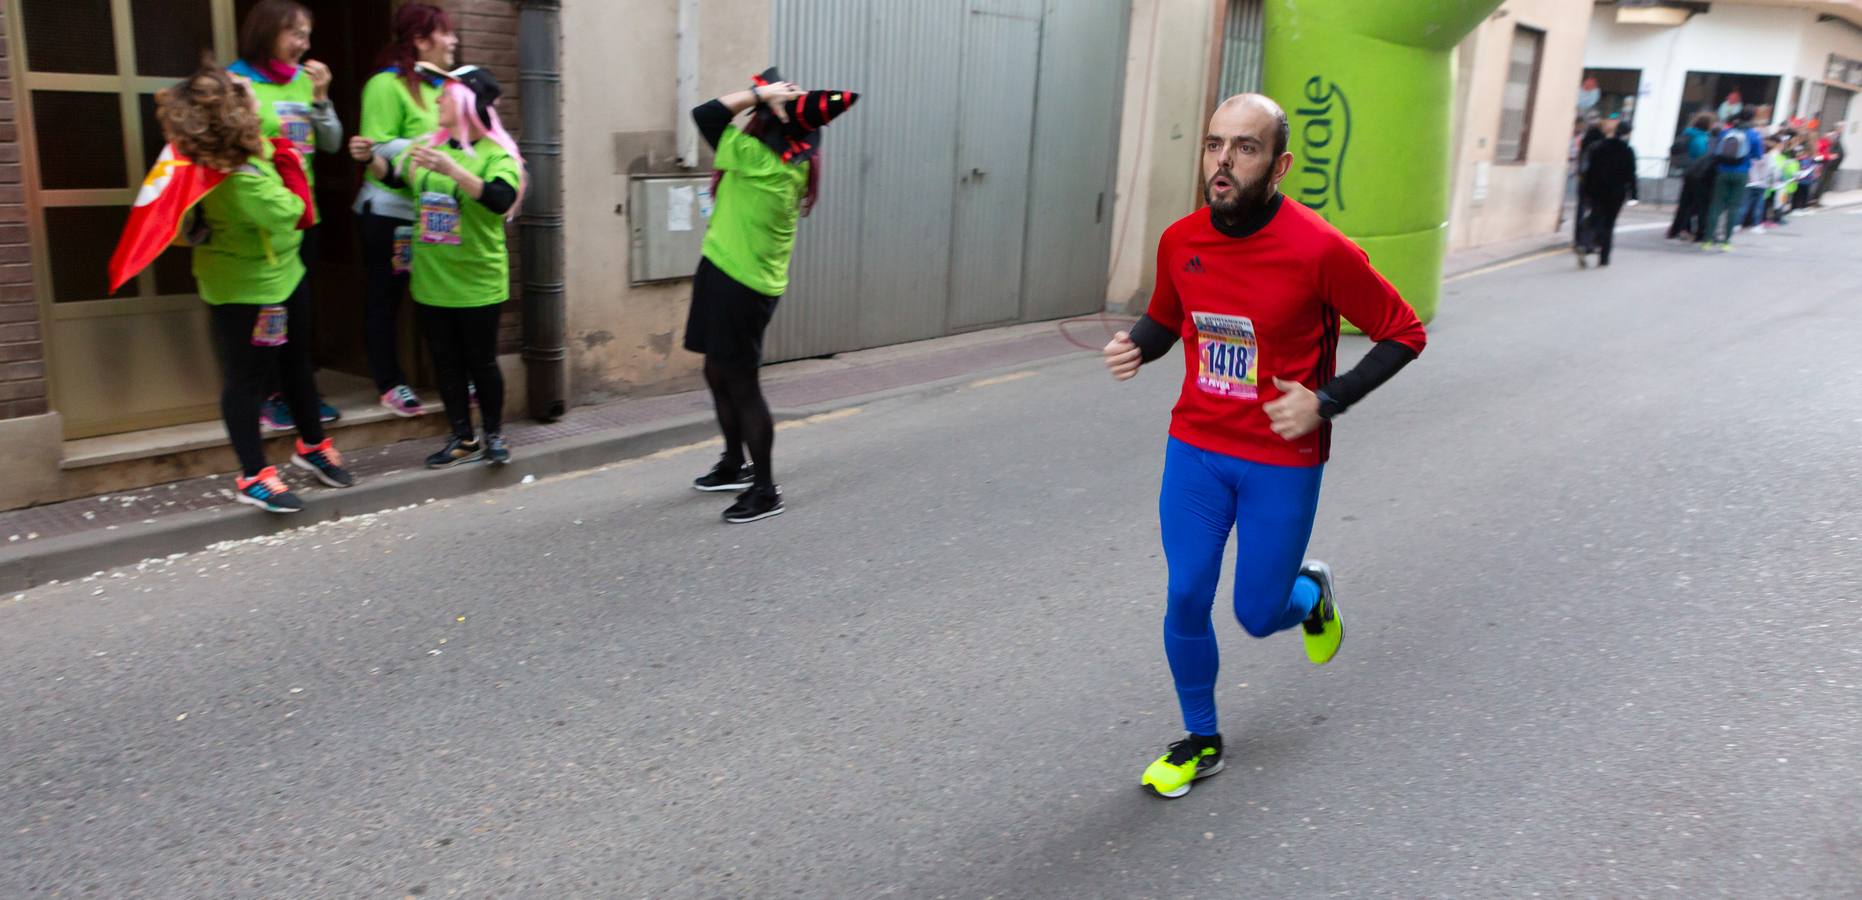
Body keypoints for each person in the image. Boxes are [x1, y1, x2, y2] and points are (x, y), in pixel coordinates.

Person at [1101, 94, 1427, 799]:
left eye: (1244, 147)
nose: (1223, 160)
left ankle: (1309, 594)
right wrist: (1137, 347)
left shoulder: (1321, 249)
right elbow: (1165, 318)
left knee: (1255, 614)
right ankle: (1201, 739)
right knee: (1186, 594)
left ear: (1277, 165)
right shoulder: (1181, 239)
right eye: (1214, 144)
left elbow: (1404, 331)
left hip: (1281, 457)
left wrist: (1328, 399)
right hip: (1196, 445)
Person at [157, 66, 355, 512]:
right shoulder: (238, 180)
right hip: (247, 291)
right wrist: (289, 159)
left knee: (297, 364)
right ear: (236, 113)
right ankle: (253, 475)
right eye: (247, 93)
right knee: (246, 381)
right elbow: (293, 211)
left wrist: (276, 151)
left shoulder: (244, 152)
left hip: (285, 275)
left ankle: (311, 446)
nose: (255, 95)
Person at [683, 69, 859, 524]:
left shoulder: (755, 158)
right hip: (726, 272)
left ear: (765, 123)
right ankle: (733, 464)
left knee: (741, 384)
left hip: (739, 285)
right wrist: (768, 99)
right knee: (717, 372)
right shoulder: (792, 163)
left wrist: (761, 94)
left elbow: (705, 113)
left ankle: (764, 490)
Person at [359, 68, 525, 468]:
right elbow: (396, 178)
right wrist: (370, 160)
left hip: (477, 279)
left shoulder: (496, 154)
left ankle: (494, 435)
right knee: (445, 362)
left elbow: (501, 198)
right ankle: (461, 437)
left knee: (481, 362)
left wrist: (452, 170)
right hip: (432, 280)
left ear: (467, 104)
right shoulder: (426, 148)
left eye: (444, 97)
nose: (436, 102)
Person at [229, 0, 342, 432]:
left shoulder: (303, 82)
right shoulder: (237, 81)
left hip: (301, 215)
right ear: (267, 32)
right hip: (259, 216)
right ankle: (269, 395)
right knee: (266, 313)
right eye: (295, 33)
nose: (304, 44)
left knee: (299, 312)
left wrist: (321, 99)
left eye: (307, 35)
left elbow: (330, 143)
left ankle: (301, 393)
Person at [348, 3, 458, 419]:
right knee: (386, 296)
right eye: (445, 33)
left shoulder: (443, 86)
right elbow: (376, 147)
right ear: (419, 40)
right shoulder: (385, 85)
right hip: (391, 212)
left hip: (435, 211)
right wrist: (429, 154)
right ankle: (389, 382)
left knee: (440, 294)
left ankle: (451, 374)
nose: (453, 40)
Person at [1578, 120, 1637, 268]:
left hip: (1597, 190)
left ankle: (1585, 243)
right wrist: (1634, 195)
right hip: (1616, 193)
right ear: (1628, 133)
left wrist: (1586, 190)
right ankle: (1604, 257)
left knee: (1595, 217)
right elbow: (1631, 174)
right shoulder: (1627, 150)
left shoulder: (1599, 147)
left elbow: (1590, 171)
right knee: (1609, 224)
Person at [1703, 111, 1763, 252]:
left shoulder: (1726, 132)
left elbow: (1716, 150)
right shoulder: (1753, 134)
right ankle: (1726, 241)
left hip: (1722, 171)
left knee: (1716, 206)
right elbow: (1758, 155)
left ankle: (1707, 240)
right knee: (1734, 207)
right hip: (1741, 173)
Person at [1668, 113, 1716, 241]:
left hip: (1688, 172)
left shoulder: (1688, 133)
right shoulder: (1701, 138)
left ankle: (1676, 229)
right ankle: (1693, 231)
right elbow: (1701, 156)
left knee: (1685, 203)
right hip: (1698, 174)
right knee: (1697, 205)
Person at [1573, 116, 1607, 252]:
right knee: (1595, 213)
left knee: (1581, 211)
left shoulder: (1586, 142)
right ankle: (1588, 242)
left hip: (1584, 181)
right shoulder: (1601, 145)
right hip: (1596, 184)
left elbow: (1582, 164)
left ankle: (1579, 240)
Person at [1741, 136, 1779, 233]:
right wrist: (1773, 183)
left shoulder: (1753, 157)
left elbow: (1748, 168)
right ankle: (1756, 224)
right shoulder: (1770, 159)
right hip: (1762, 184)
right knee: (1758, 205)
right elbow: (1773, 172)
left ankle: (1738, 223)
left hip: (1750, 183)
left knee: (1745, 204)